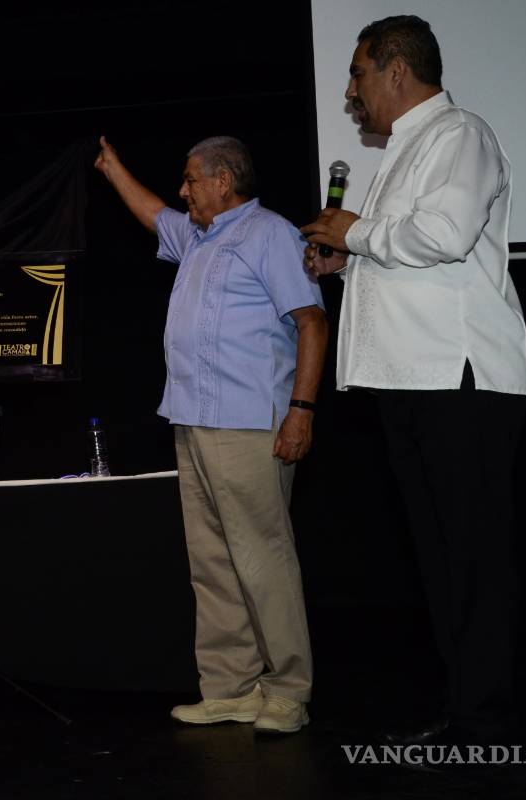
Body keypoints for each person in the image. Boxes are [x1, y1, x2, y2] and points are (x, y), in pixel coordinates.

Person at [301, 15, 526, 746]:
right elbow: (415, 248)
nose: (349, 90)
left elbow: (446, 235)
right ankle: (467, 711)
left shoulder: (457, 133)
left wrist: (356, 235)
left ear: (397, 70)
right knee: (440, 561)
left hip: (458, 381)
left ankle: (483, 721)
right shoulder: (410, 149)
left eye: (358, 72)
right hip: (414, 381)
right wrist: (354, 259)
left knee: (469, 560)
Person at [95, 134, 327, 734]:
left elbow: (312, 322)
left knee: (263, 559)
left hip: (251, 422)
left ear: (223, 182)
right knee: (214, 563)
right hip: (193, 419)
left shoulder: (271, 234)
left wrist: (301, 409)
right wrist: (113, 168)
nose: (183, 190)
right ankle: (232, 687)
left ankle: (287, 689)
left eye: (191, 179)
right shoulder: (200, 236)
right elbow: (153, 215)